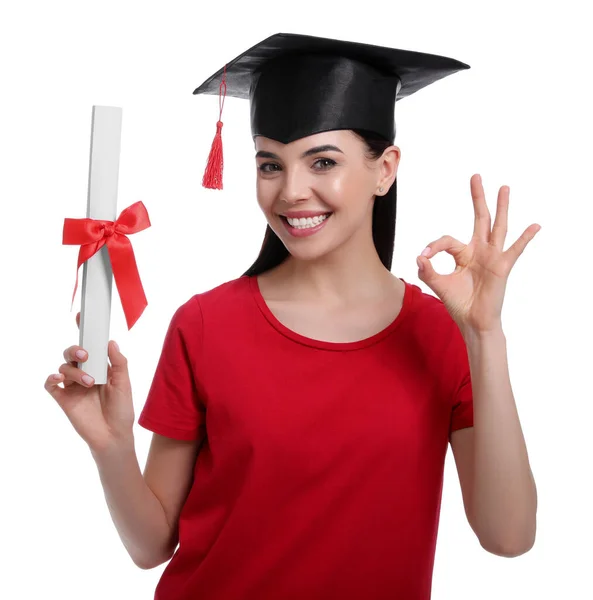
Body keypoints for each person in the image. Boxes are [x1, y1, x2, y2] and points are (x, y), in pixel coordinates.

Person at [44, 33, 538, 600]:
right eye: (270, 164)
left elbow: (509, 536)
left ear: (385, 169)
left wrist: (484, 334)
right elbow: (151, 545)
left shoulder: (442, 334)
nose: (291, 191)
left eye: (322, 161)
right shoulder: (206, 324)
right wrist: (110, 445)